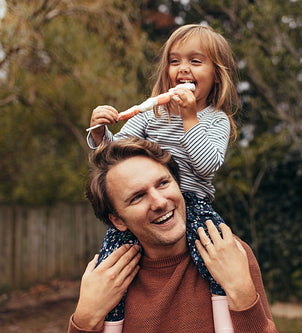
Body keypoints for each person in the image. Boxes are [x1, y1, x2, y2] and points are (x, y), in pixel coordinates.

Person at [86, 24, 238, 331]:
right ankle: (112, 325)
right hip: (144, 206)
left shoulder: (216, 120)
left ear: (216, 74)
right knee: (110, 265)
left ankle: (224, 323)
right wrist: (100, 133)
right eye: (174, 61)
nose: (183, 69)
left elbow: (207, 165)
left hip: (192, 204)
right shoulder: (149, 114)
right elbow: (117, 157)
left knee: (218, 262)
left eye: (196, 61)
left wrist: (189, 118)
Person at [68, 137, 278, 333]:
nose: (160, 202)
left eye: (163, 183)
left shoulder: (229, 253)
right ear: (118, 220)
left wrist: (242, 292)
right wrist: (85, 319)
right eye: (138, 197)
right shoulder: (108, 280)